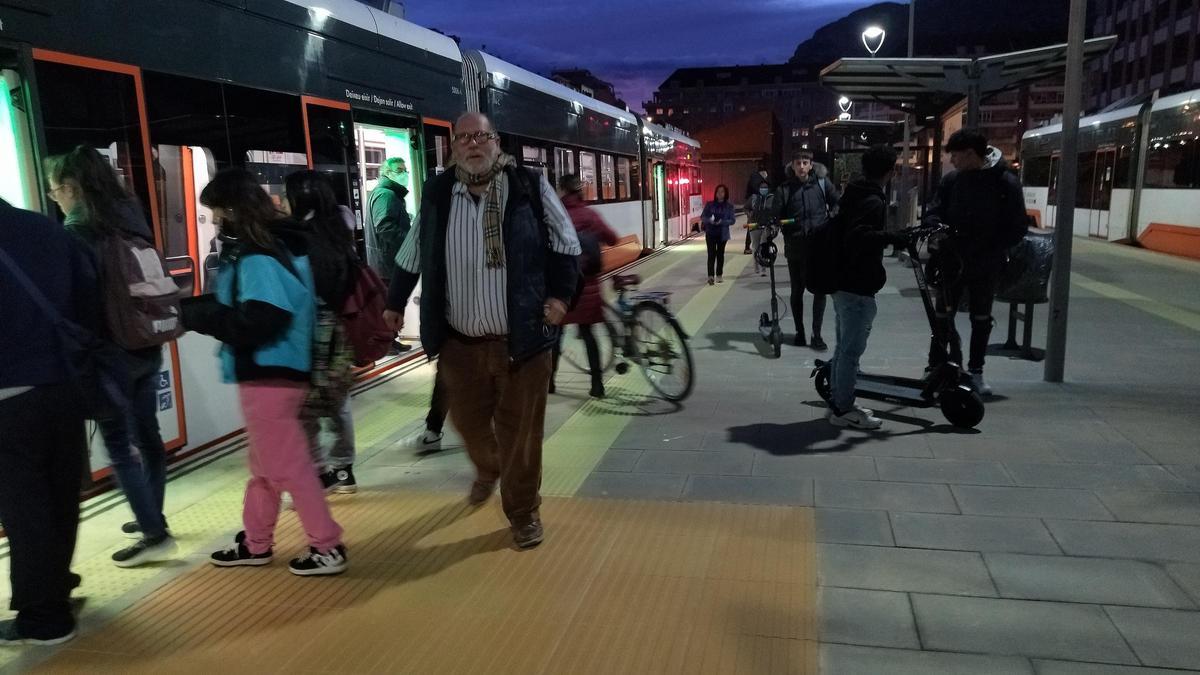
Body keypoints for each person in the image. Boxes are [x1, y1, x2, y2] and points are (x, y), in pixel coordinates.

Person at [383, 112, 580, 549]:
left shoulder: (528, 187)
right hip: (460, 344)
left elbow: (567, 245)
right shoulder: (437, 193)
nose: (473, 144)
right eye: (464, 138)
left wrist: (561, 299)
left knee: (521, 436)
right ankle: (490, 467)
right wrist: (394, 303)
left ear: (495, 141)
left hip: (523, 341)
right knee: (467, 423)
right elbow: (411, 252)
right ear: (453, 147)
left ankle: (523, 512)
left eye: (481, 136)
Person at [183, 168, 347, 576]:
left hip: (269, 373)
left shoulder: (259, 256)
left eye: (218, 213)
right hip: (276, 372)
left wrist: (196, 315)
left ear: (236, 210)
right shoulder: (280, 246)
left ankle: (327, 547)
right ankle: (256, 542)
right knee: (264, 467)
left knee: (290, 467)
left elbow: (260, 317)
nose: (217, 223)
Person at [43, 146, 177, 568]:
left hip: (110, 353)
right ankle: (153, 514)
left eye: (54, 191)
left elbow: (77, 299)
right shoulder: (130, 218)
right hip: (145, 344)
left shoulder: (78, 232)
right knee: (149, 437)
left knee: (119, 445)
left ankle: (154, 533)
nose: (54, 199)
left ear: (71, 187)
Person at [0, 198, 96, 645]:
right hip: (64, 383)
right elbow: (87, 297)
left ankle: (45, 617)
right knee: (60, 496)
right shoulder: (46, 229)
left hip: (10, 394)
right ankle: (56, 587)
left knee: (25, 507)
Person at [924, 128, 1028, 396]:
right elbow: (934, 210)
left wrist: (990, 245)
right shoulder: (952, 182)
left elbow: (1017, 226)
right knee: (942, 317)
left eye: (956, 156)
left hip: (986, 262)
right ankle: (935, 367)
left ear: (971, 154)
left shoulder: (1005, 182)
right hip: (950, 260)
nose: (953, 162)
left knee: (981, 318)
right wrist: (936, 228)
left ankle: (976, 371)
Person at [282, 170, 359, 494]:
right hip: (334, 326)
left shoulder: (297, 234)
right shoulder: (338, 226)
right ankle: (343, 468)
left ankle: (321, 469)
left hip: (309, 328)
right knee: (336, 397)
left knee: (306, 403)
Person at [827, 145, 907, 430]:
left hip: (842, 283)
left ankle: (838, 403)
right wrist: (892, 236)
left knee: (842, 348)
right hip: (857, 285)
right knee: (850, 352)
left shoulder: (853, 194)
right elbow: (859, 237)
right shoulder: (872, 201)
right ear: (890, 171)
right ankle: (844, 409)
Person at [551, 174, 618, 398]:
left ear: (562, 191)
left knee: (556, 335)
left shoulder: (557, 215)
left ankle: (549, 382)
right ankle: (597, 385)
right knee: (589, 335)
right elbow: (613, 238)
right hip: (588, 285)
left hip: (563, 287)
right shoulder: (590, 214)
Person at [778, 150, 839, 350]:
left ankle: (817, 334)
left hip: (818, 248)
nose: (802, 166)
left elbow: (836, 203)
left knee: (820, 291)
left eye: (805, 162)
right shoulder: (785, 189)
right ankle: (800, 332)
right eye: (798, 163)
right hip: (795, 249)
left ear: (811, 165)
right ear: (793, 166)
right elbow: (775, 215)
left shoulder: (822, 184)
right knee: (797, 292)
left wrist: (831, 221)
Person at [365, 157, 413, 354]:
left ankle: (392, 340)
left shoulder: (388, 194)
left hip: (386, 260)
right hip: (386, 261)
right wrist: (409, 241)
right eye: (399, 170)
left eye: (405, 170)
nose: (404, 174)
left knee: (389, 301)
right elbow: (384, 226)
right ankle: (387, 343)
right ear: (387, 173)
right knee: (387, 303)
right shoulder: (386, 195)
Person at [701, 184, 736, 284]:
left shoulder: (729, 206)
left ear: (725, 194)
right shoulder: (709, 205)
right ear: (715, 193)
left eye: (722, 192)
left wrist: (722, 222)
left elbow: (732, 220)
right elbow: (703, 217)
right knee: (711, 254)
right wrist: (709, 220)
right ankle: (710, 276)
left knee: (720, 254)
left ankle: (719, 274)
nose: (720, 194)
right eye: (718, 191)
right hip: (710, 232)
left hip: (722, 234)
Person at [742, 160, 770, 254]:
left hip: (752, 202)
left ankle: (748, 247)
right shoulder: (760, 177)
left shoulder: (753, 176)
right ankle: (754, 246)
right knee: (755, 224)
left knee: (752, 224)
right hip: (756, 202)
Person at [746, 181, 773, 276]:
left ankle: (763, 269)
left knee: (764, 247)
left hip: (766, 226)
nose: (763, 189)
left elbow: (775, 210)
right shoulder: (753, 198)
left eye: (765, 187)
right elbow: (746, 208)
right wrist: (749, 215)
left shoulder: (772, 198)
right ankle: (756, 266)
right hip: (754, 226)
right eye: (762, 187)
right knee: (755, 247)